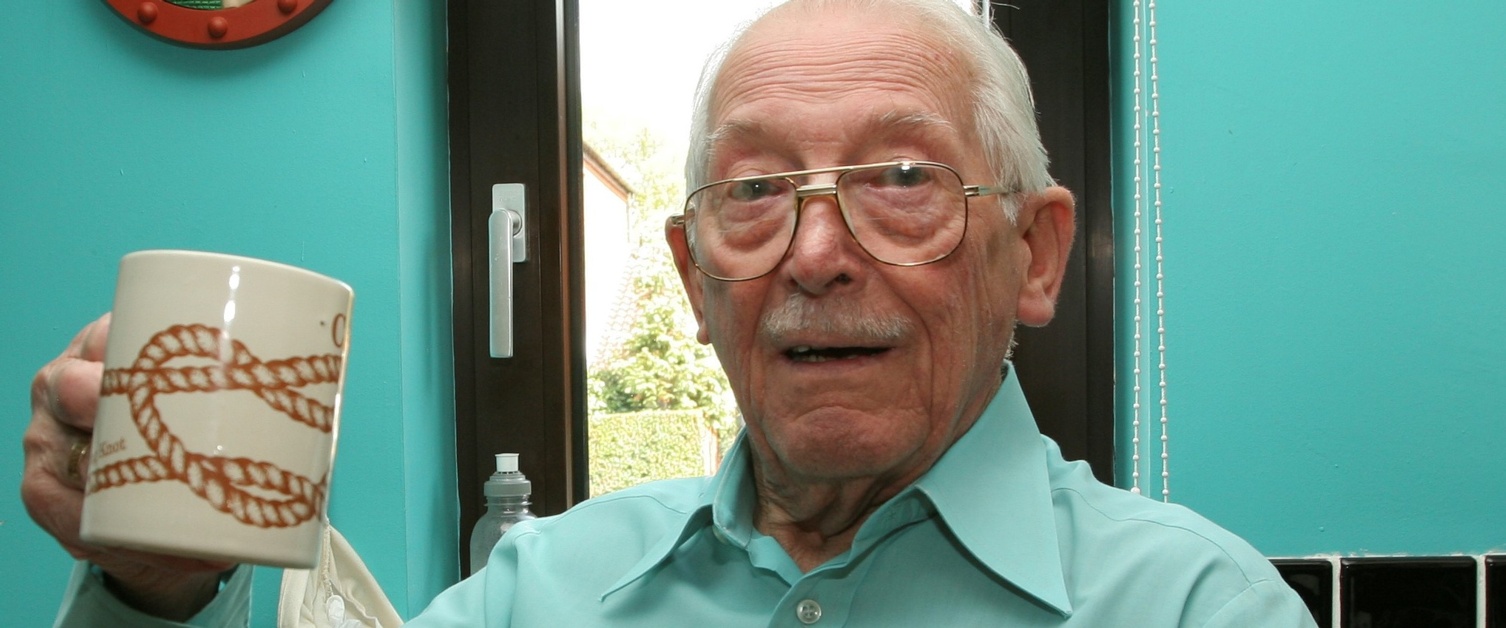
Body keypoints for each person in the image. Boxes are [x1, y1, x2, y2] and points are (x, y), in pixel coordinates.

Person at [22, 0, 1318, 625]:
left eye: (900, 180)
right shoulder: (536, 595)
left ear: (1032, 258)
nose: (815, 252)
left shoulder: (1197, 607)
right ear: (694, 279)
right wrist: (151, 585)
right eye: (752, 193)